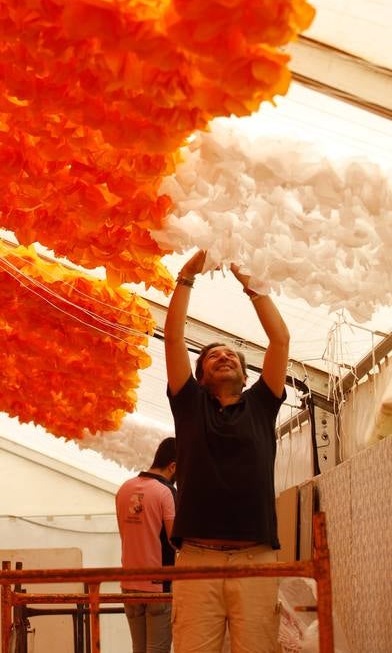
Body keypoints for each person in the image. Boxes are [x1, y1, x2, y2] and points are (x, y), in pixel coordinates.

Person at [164, 249, 290, 653]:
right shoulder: (189, 404)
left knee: (257, 648)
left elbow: (280, 339)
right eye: (213, 356)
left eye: (232, 355)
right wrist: (186, 276)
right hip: (198, 559)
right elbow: (173, 336)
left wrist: (251, 284)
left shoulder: (261, 403)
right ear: (199, 377)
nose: (224, 356)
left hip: (255, 559)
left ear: (244, 372)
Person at [116, 437, 178, 653]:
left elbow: (124, 533)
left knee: (138, 649)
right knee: (157, 650)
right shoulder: (165, 492)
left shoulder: (124, 488)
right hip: (157, 586)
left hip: (129, 583)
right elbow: (174, 540)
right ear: (173, 466)